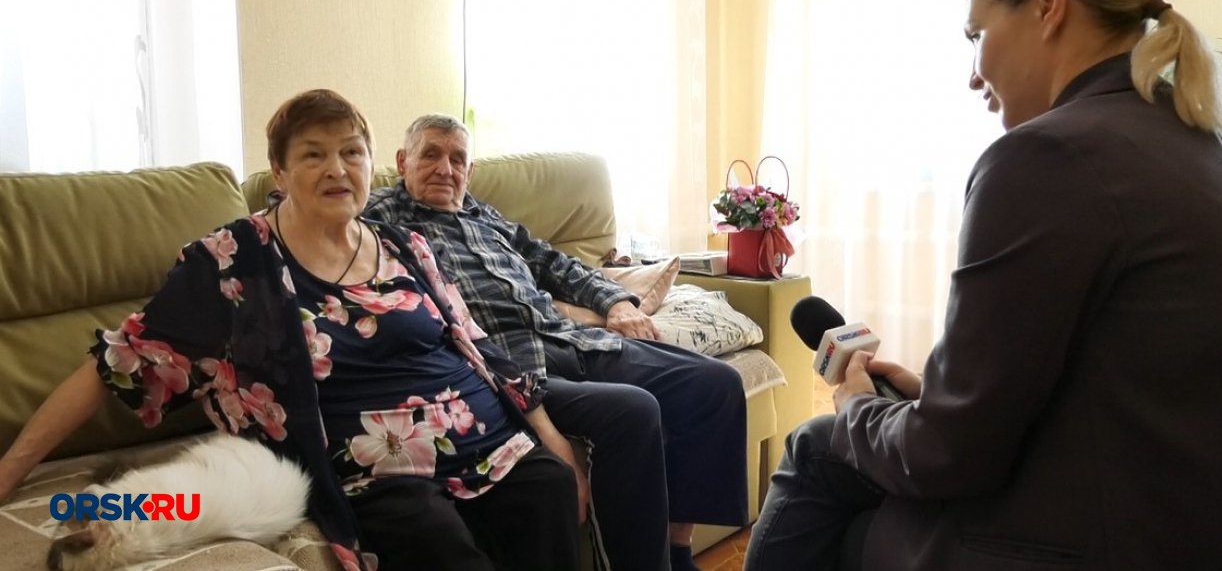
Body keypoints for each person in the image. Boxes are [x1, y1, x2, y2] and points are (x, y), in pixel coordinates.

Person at [745, 0, 1222, 571]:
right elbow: (1123, 386)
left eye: (976, 34)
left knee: (820, 446)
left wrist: (858, 405)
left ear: (1047, 4)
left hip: (1088, 539)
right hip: (1179, 523)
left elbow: (943, 456)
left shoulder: (1049, 158)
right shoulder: (1205, 151)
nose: (974, 74)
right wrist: (933, 397)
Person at [0, 90, 580, 571]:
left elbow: (476, 345)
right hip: (375, 474)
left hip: (489, 443)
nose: (336, 169)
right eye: (313, 155)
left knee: (548, 485)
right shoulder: (234, 260)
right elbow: (119, 362)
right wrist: (9, 470)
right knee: (431, 536)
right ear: (279, 171)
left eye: (351, 152)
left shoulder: (405, 244)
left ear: (372, 163)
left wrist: (549, 438)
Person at [364, 114, 748, 571]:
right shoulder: (381, 215)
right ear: (402, 162)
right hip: (508, 363)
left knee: (715, 384)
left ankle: (679, 551)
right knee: (635, 410)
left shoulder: (485, 216)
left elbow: (555, 263)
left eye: (457, 159)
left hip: (570, 337)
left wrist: (615, 303)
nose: (445, 169)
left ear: (470, 171)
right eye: (431, 155)